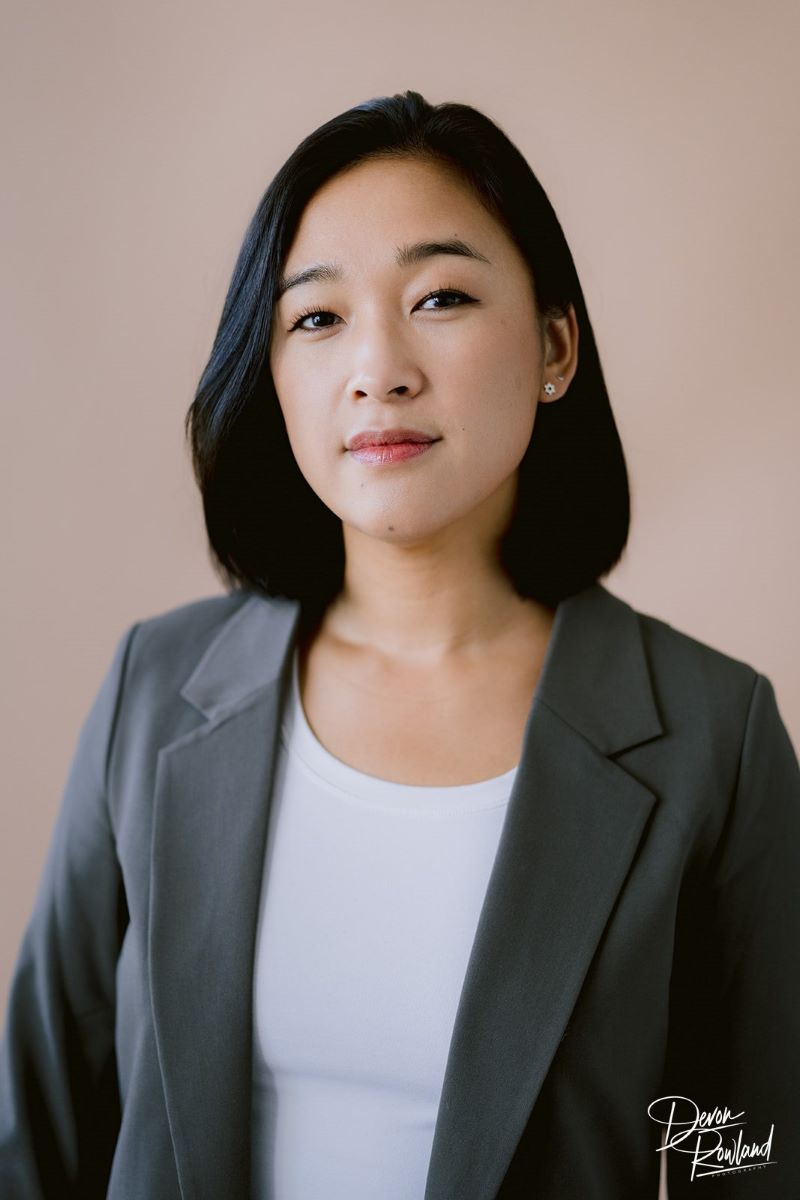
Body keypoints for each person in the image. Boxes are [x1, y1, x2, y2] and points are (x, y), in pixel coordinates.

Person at [1, 89, 798, 1200]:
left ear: (555, 345)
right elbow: (34, 1133)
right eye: (316, 318)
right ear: (270, 373)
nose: (378, 367)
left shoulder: (715, 736)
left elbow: (752, 1156)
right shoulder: (156, 690)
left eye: (440, 296)